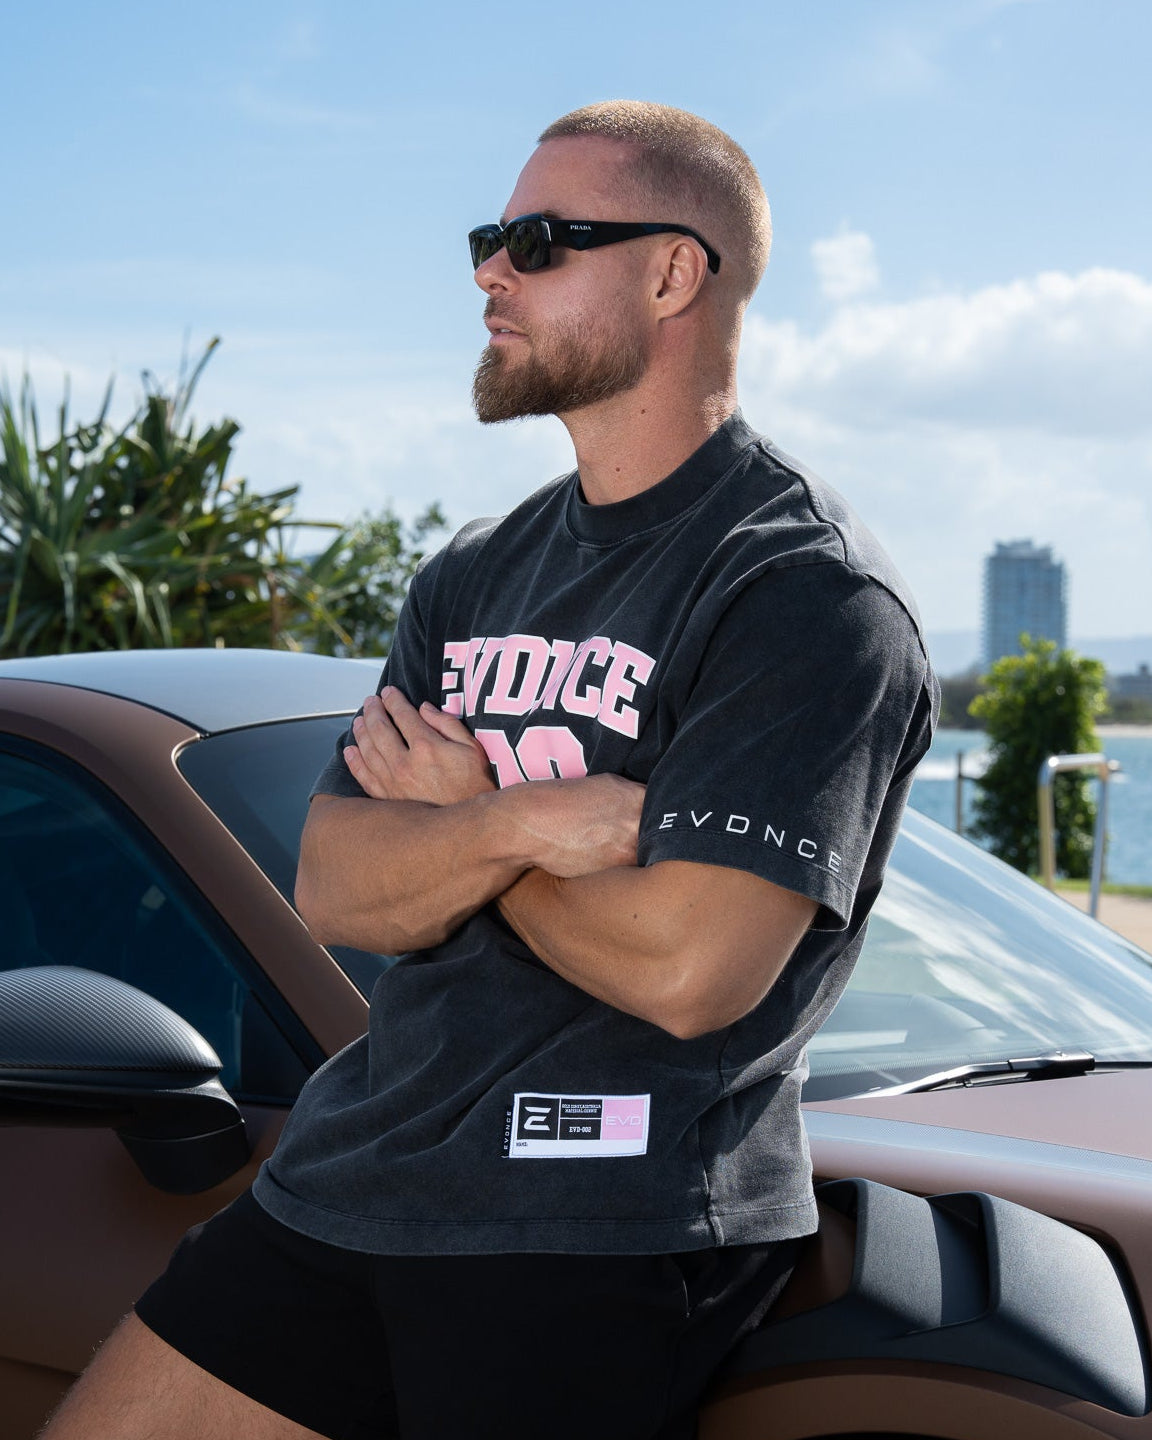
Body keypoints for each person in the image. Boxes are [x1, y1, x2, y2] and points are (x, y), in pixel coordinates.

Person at [42, 101, 936, 1440]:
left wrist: (458, 821)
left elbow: (690, 971)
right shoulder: (475, 570)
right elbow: (338, 886)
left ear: (673, 274)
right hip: (345, 1183)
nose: (488, 276)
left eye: (539, 242)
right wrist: (523, 825)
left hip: (593, 1222)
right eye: (487, 239)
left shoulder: (799, 592)